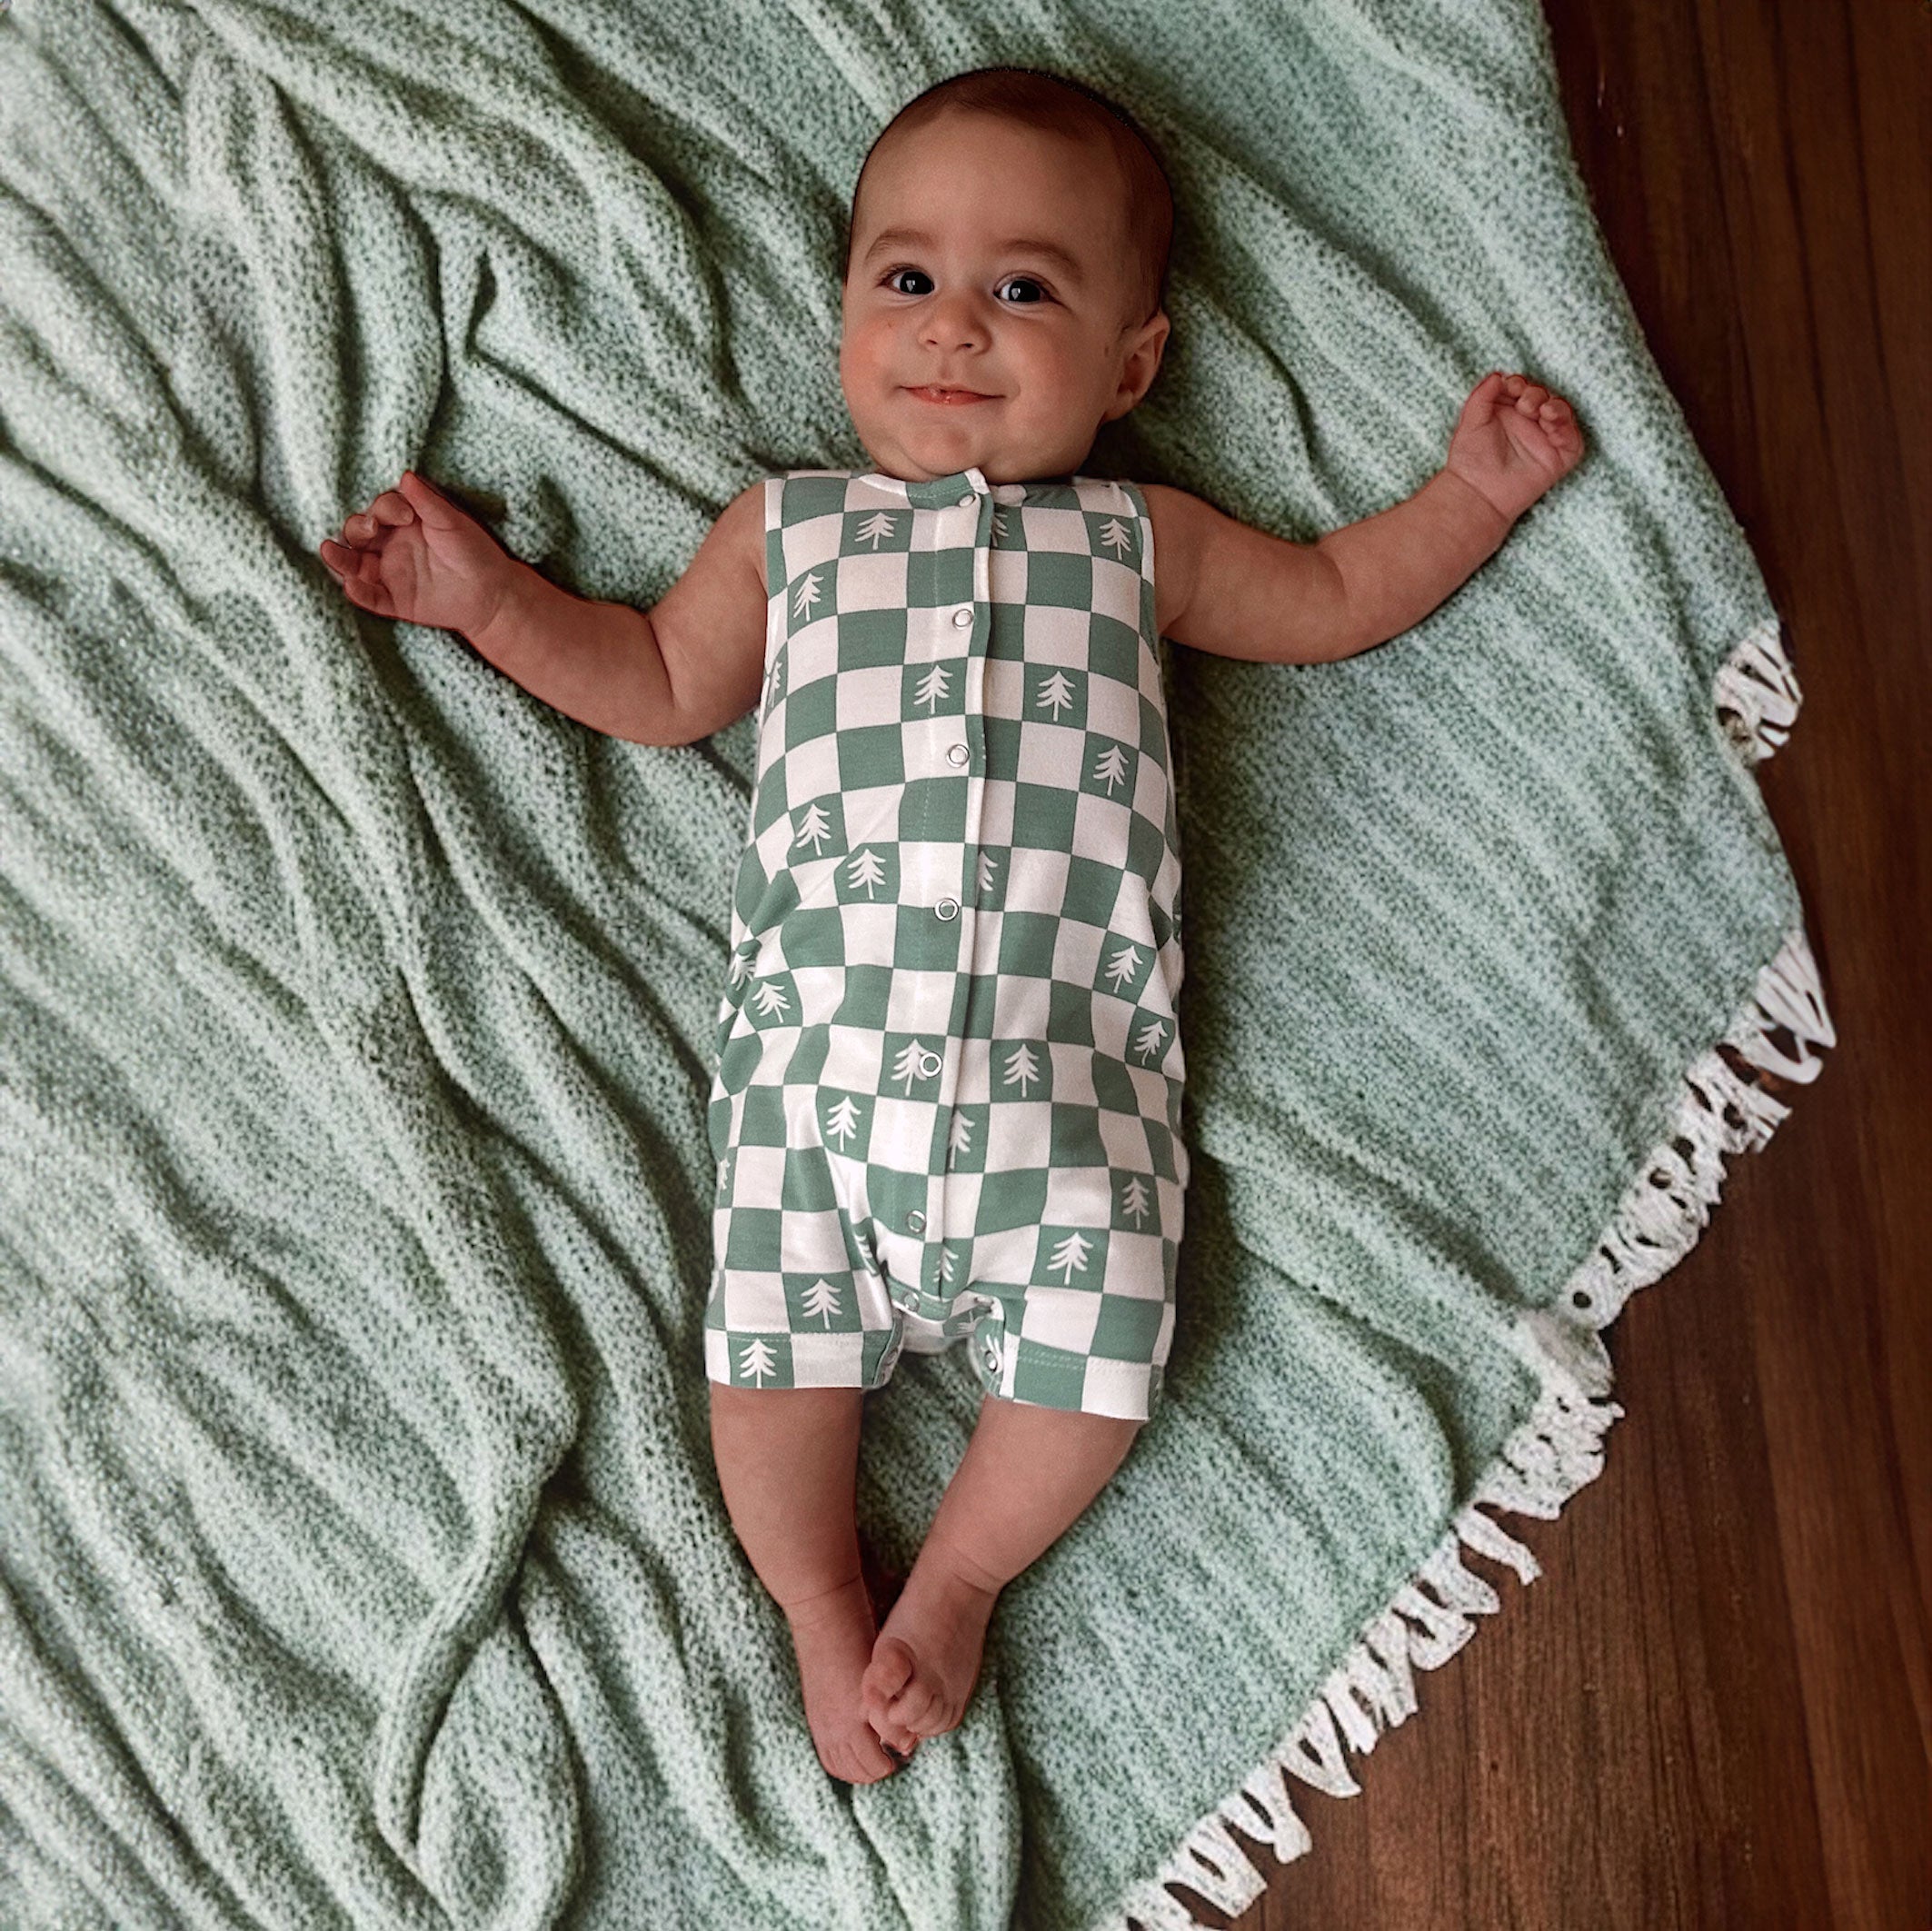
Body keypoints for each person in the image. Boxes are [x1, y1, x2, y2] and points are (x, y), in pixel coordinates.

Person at [318, 65, 1585, 1787]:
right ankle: (824, 1605)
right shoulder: (791, 529)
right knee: (761, 1377)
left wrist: (1475, 493)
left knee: (1106, 1349)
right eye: (904, 280)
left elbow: (1339, 596)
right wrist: (480, 597)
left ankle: (964, 1575)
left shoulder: (1142, 542)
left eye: (1024, 290)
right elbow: (660, 682)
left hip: (1069, 1111)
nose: (953, 330)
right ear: (842, 311)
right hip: (816, 1101)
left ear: (1132, 365)